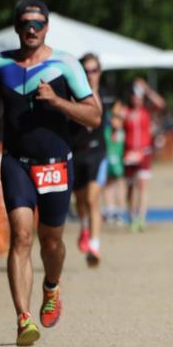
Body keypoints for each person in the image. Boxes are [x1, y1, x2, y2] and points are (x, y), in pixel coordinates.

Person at [0, 0, 101, 346]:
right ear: (16, 27)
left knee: (52, 241)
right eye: (25, 23)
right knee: (21, 236)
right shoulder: (0, 63)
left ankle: (51, 287)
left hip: (56, 164)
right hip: (16, 161)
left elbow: (94, 116)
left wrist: (57, 101)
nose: (31, 29)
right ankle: (23, 318)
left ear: (47, 28)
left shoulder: (66, 65)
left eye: (38, 24)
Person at [70, 53, 107, 267]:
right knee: (81, 201)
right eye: (86, 71)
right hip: (76, 153)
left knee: (93, 198)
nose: (90, 75)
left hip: (97, 153)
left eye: (94, 70)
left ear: (99, 72)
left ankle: (95, 245)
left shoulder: (106, 95)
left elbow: (103, 116)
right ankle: (84, 226)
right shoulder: (73, 96)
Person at [123, 77, 166, 232]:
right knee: (130, 187)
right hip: (129, 153)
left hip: (144, 153)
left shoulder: (146, 111)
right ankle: (132, 216)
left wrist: (147, 89)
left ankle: (141, 217)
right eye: (135, 96)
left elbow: (161, 104)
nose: (137, 99)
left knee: (143, 185)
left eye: (139, 97)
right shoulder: (125, 112)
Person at [102, 101, 128, 224]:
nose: (114, 121)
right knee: (108, 185)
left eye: (116, 119)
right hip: (108, 164)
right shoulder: (106, 131)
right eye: (113, 118)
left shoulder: (122, 132)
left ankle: (120, 211)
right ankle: (110, 209)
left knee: (120, 185)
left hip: (119, 164)